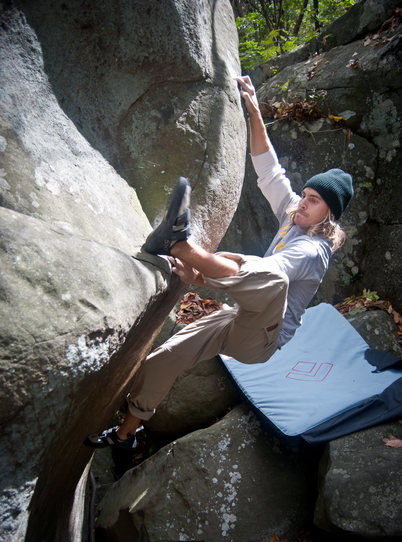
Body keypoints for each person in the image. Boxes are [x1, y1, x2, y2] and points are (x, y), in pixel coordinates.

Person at [85, 75, 353, 450]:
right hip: (240, 316)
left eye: (313, 200)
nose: (302, 203)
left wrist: (202, 268)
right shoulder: (294, 216)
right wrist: (254, 112)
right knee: (165, 357)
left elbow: (269, 279)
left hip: (263, 339)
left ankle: (180, 245)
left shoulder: (315, 250)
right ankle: (127, 432)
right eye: (305, 195)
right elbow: (269, 171)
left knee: (273, 278)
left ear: (328, 215)